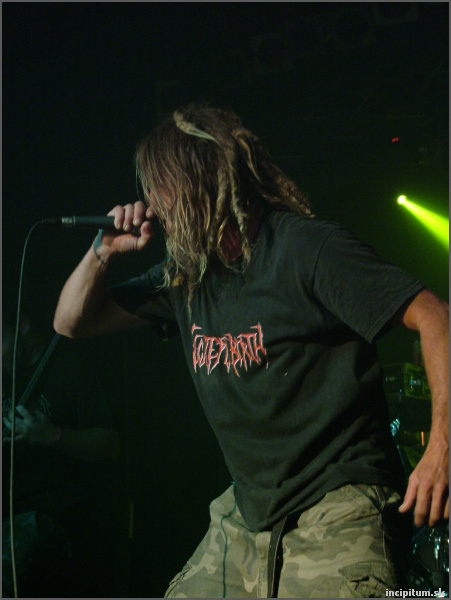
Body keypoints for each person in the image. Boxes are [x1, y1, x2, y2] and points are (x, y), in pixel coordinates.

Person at [53, 104, 449, 598]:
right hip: (248, 515)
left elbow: (436, 317)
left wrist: (442, 445)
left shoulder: (305, 249)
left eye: (160, 187)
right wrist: (103, 251)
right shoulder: (187, 279)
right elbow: (70, 322)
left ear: (198, 181)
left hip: (339, 505)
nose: (152, 204)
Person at [2, 308, 124, 597]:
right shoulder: (7, 378)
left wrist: (52, 436)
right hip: (12, 513)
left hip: (55, 516)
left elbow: (111, 444)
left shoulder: (69, 367)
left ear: (22, 325)